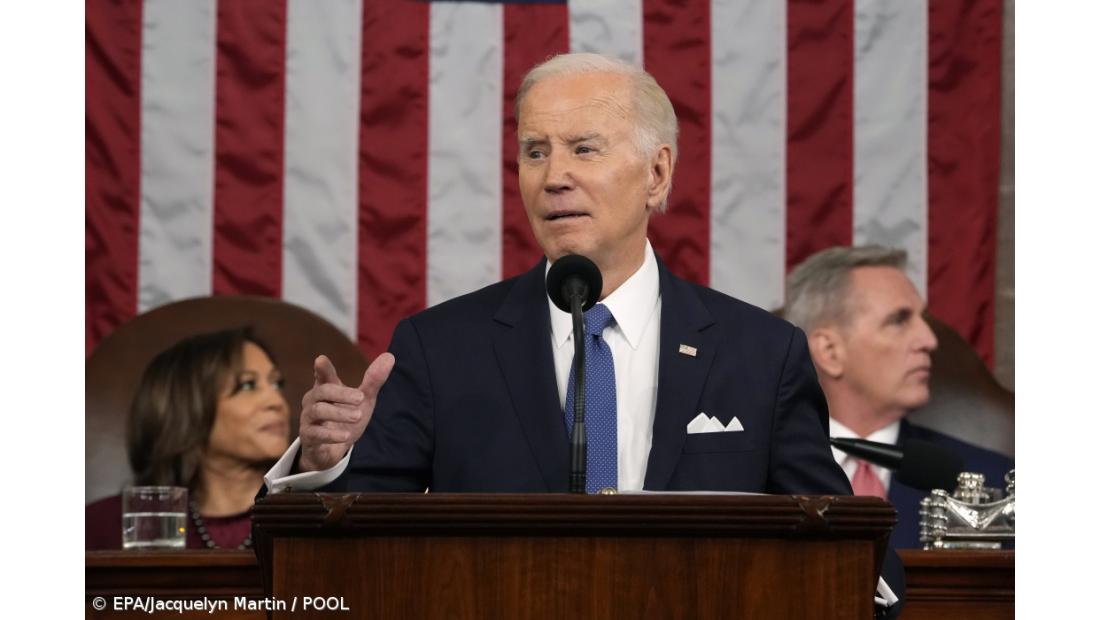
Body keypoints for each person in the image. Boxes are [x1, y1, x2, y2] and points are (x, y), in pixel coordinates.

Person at [265, 53, 902, 613]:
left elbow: (851, 552)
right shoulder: (439, 348)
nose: (553, 176)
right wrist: (325, 467)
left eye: (584, 148)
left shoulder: (761, 353)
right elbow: (338, 566)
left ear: (656, 174)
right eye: (534, 151)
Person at [784, 245, 1014, 549]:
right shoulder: (752, 477)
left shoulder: (994, 483)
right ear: (829, 351)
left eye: (923, 319)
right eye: (899, 320)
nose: (929, 340)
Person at [86, 327, 291, 550]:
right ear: (186, 406)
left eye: (276, 384)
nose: (276, 401)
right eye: (248, 385)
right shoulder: (100, 528)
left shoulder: (314, 518)